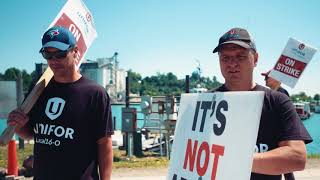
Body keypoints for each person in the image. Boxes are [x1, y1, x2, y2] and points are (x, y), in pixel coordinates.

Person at [7, 26, 114, 180]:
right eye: (48, 55)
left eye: (60, 54)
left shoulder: (94, 94)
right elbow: (30, 133)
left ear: (75, 51)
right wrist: (18, 125)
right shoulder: (38, 89)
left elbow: (104, 144)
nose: (54, 60)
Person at [211, 27, 312, 180]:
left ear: (256, 59)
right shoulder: (205, 102)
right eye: (225, 57)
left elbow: (297, 157)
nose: (232, 64)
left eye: (240, 56)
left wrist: (232, 160)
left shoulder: (277, 101)